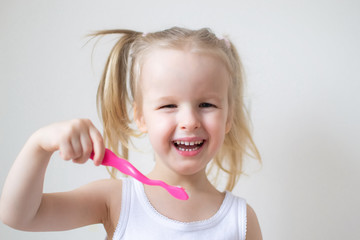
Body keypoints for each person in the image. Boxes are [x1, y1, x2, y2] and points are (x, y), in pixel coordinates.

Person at [0, 27, 262, 239]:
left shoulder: (240, 220)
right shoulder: (116, 200)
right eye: (168, 105)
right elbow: (20, 216)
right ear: (140, 117)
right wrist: (38, 146)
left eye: (206, 105)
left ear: (228, 117)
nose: (189, 121)